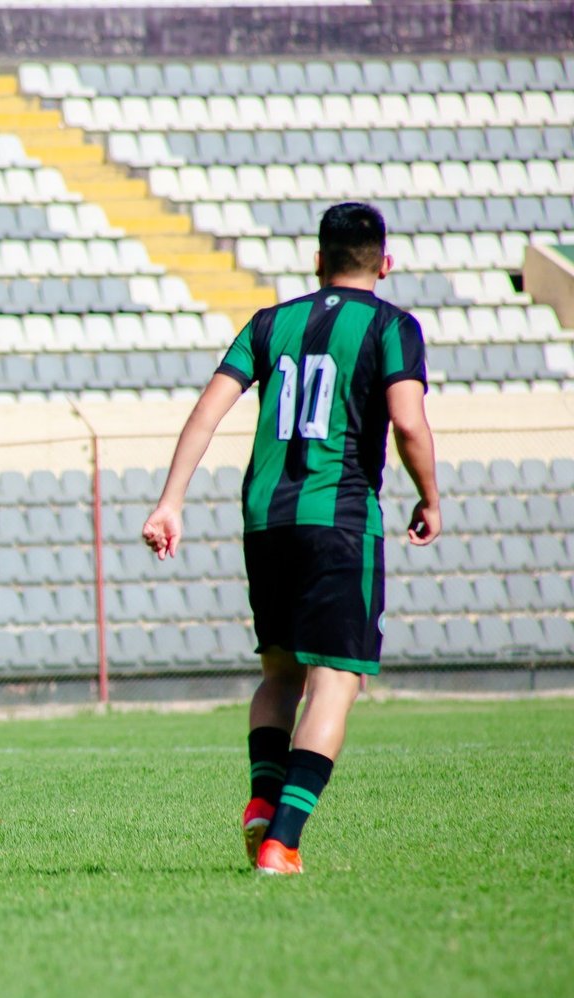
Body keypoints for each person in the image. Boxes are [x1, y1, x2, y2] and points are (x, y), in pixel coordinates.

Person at [141, 202, 441, 876]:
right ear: (384, 263)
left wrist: (170, 502)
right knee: (335, 682)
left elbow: (206, 411)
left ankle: (260, 800)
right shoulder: (393, 326)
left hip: (265, 519)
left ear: (317, 260)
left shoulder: (270, 322)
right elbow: (410, 424)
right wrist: (429, 495)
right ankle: (283, 839)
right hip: (338, 521)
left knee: (279, 671)